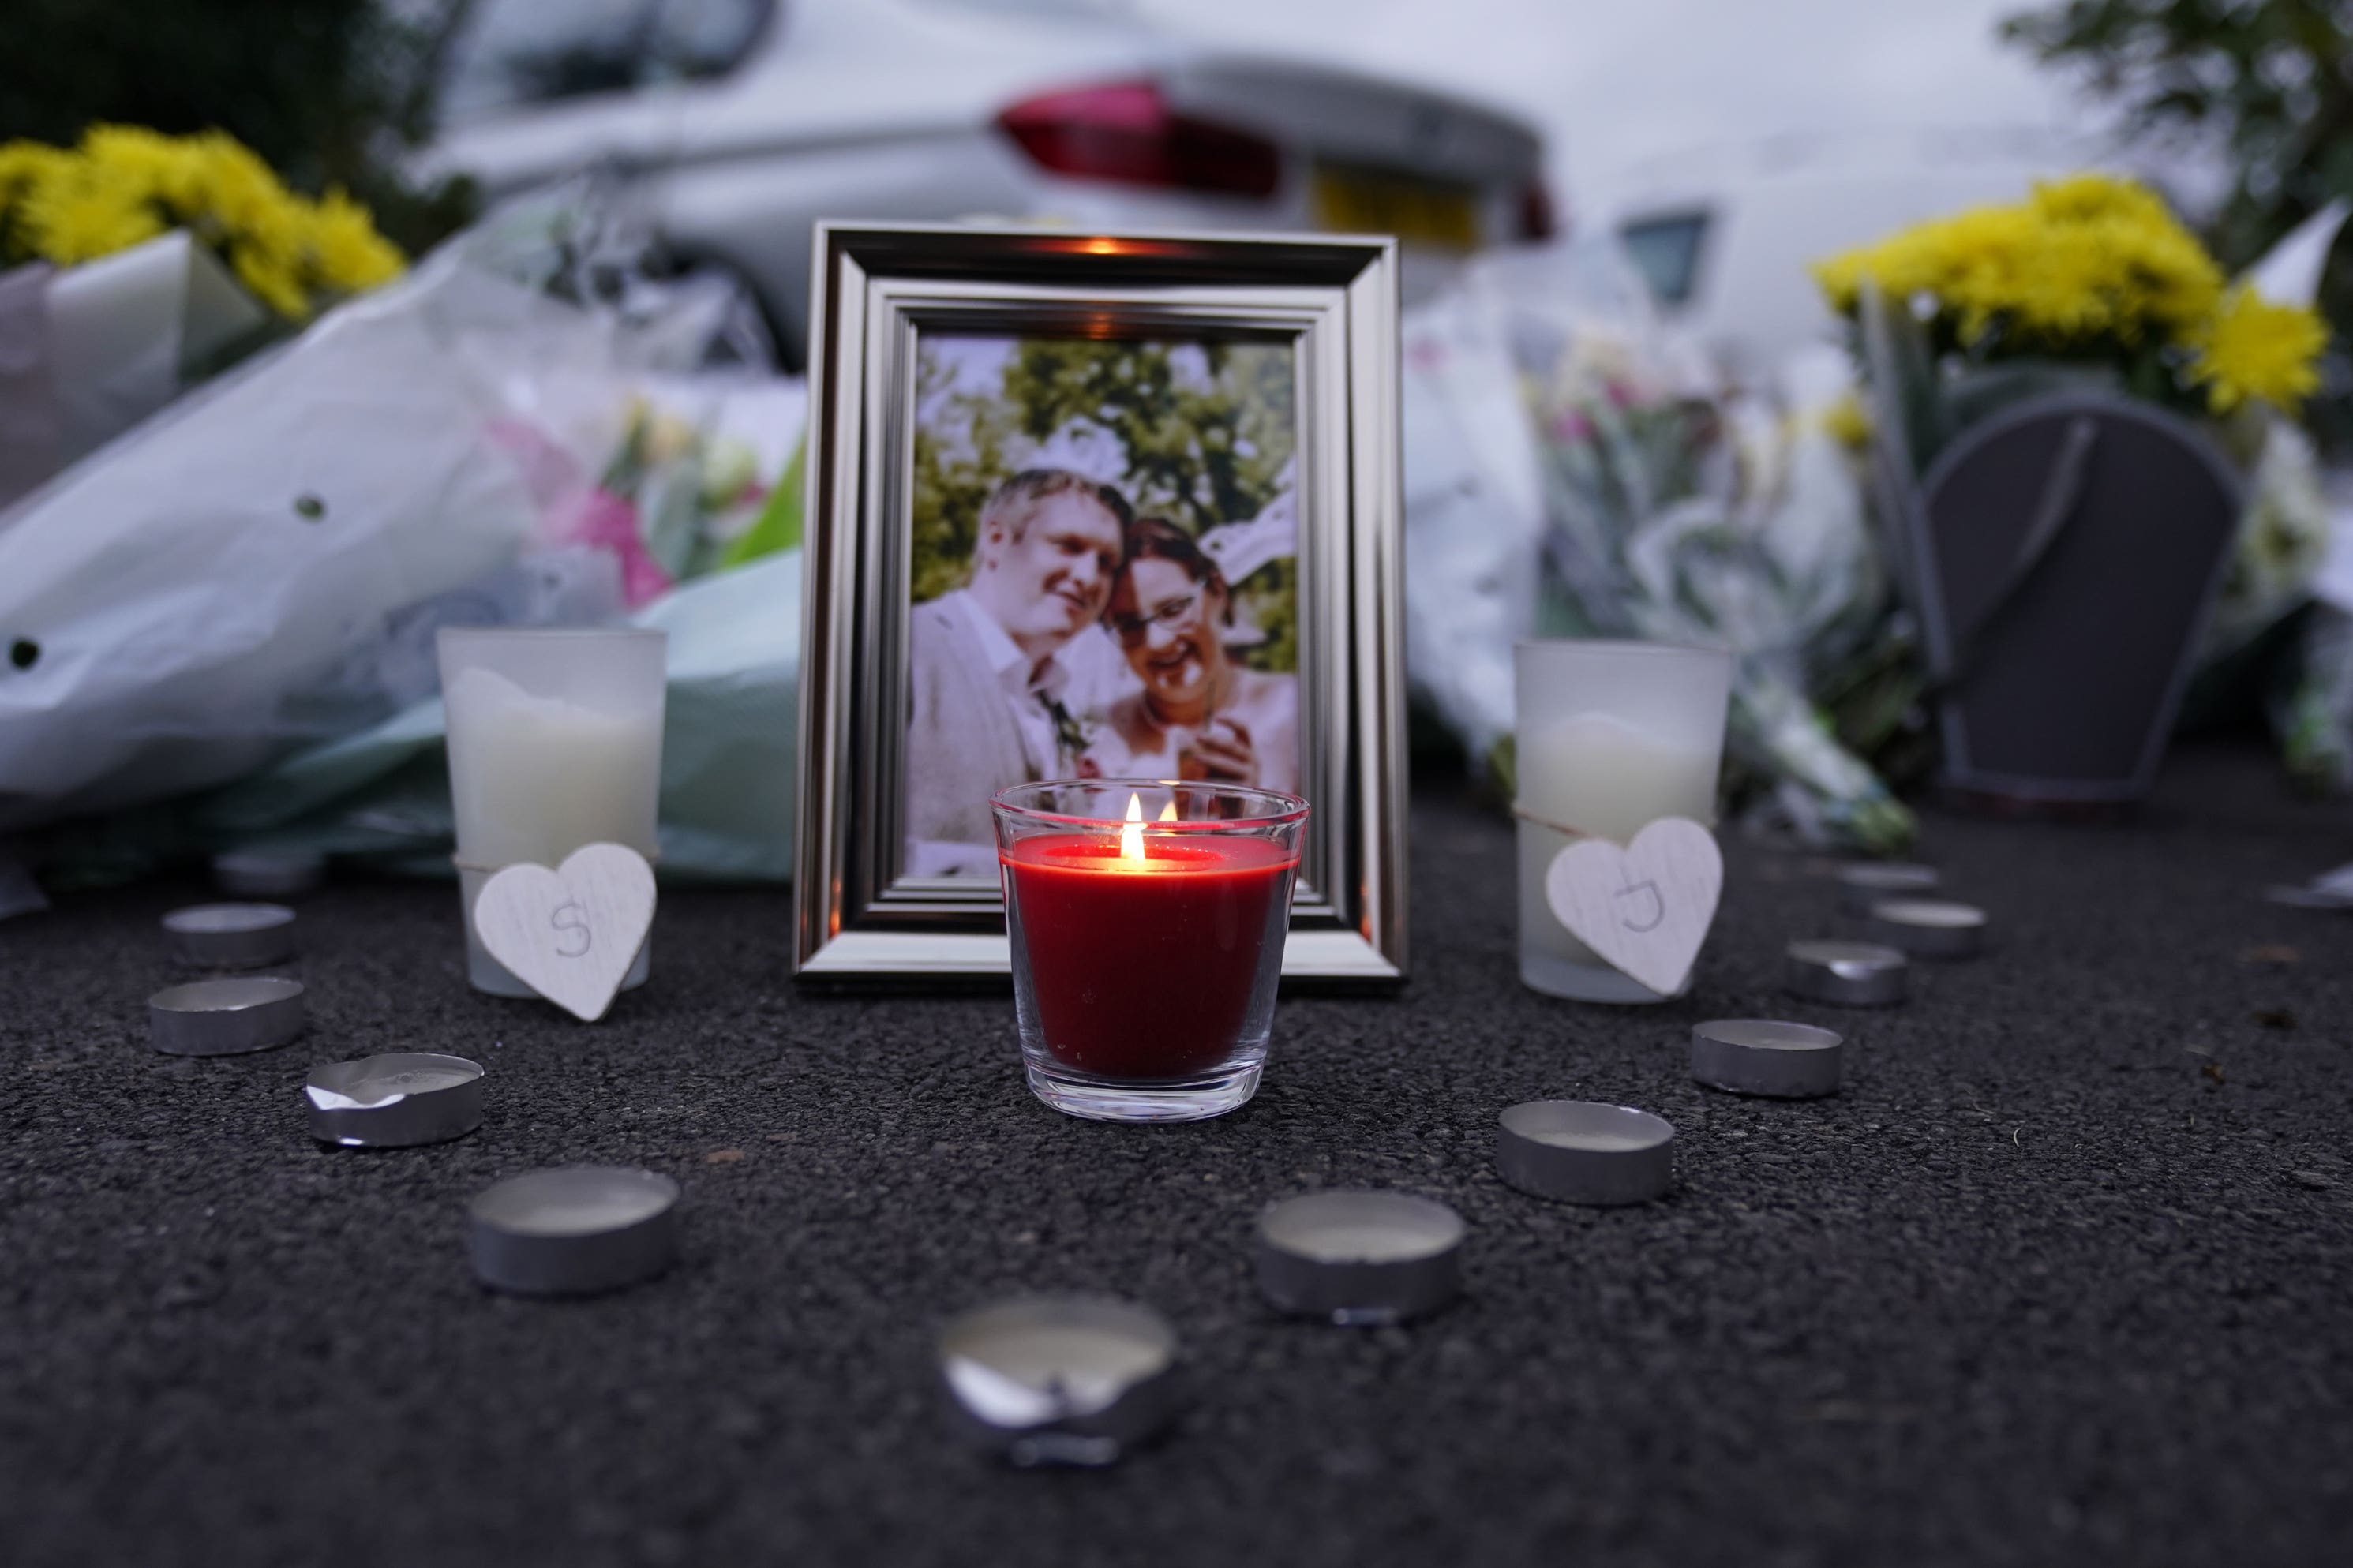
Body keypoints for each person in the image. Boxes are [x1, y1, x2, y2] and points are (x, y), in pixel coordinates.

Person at [905, 468, 1133, 874]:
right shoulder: (903, 648)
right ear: (996, 541)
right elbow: (846, 852)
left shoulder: (1054, 700)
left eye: (1106, 562)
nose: (1089, 577)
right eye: (1068, 545)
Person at [1086, 516, 1298, 794]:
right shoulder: (1101, 731)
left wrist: (1253, 817)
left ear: (1217, 590)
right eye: (1130, 625)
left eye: (1173, 610)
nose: (1158, 642)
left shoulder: (1293, 709)